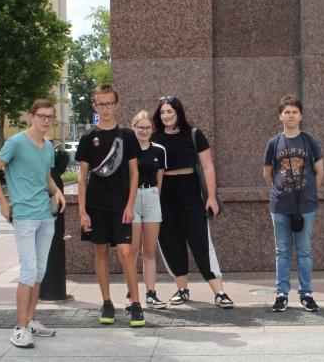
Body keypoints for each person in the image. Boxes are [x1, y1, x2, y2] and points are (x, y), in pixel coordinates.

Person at [0, 101, 66, 349]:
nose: (46, 120)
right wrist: (2, 202)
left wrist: (57, 192)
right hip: (24, 215)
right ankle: (19, 329)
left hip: (45, 215)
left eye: (50, 117)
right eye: (42, 116)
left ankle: (30, 321)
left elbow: (45, 177)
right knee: (29, 271)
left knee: (40, 271)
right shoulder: (17, 142)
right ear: (31, 116)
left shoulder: (48, 147)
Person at [151, 95, 234, 308]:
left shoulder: (194, 134)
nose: (166, 116)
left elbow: (207, 167)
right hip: (164, 196)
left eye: (170, 111)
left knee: (201, 243)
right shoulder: (155, 138)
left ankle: (220, 292)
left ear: (178, 112)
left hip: (191, 194)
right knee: (170, 243)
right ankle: (182, 289)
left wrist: (212, 197)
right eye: (162, 112)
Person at [76, 84, 145, 327]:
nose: (105, 108)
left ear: (117, 105)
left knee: (126, 253)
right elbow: (82, 178)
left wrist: (130, 205)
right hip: (96, 206)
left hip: (121, 206)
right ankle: (106, 302)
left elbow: (134, 173)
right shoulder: (87, 138)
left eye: (109, 103)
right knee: (101, 251)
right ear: (95, 106)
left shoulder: (127, 136)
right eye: (100, 104)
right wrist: (82, 211)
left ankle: (135, 303)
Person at [262, 94, 324, 313]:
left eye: (294, 112)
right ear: (280, 116)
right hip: (280, 206)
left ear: (301, 115)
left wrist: (309, 192)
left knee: (304, 251)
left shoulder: (309, 141)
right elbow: (267, 173)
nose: (290, 115)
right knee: (282, 251)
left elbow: (320, 171)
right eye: (286, 112)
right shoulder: (274, 143)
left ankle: (306, 293)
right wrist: (280, 190)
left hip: (305, 206)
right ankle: (281, 294)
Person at [130, 110, 168, 310]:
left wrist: (154, 198)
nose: (144, 131)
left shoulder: (159, 150)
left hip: (151, 197)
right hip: (133, 198)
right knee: (132, 250)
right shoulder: (129, 150)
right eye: (140, 127)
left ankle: (151, 293)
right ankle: (132, 293)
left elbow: (160, 179)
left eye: (147, 127)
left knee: (150, 250)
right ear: (134, 127)